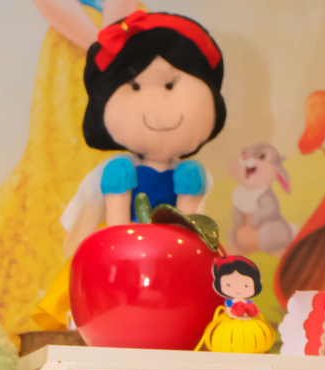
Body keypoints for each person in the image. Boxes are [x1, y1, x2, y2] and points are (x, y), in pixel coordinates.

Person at [81, 11, 224, 224]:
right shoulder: (121, 171)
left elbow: (188, 224)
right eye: (135, 87)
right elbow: (117, 224)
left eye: (169, 86)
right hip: (133, 239)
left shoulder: (189, 173)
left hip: (175, 240)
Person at [196, 255, 276, 353]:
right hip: (229, 327)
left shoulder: (250, 306)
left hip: (251, 328)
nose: (238, 289)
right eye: (228, 285)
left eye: (246, 286)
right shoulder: (228, 306)